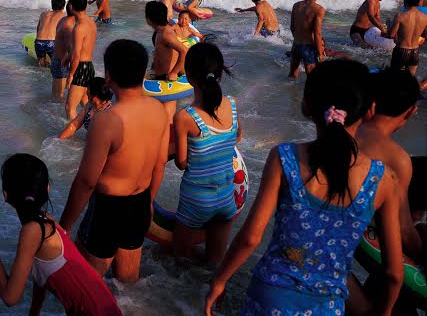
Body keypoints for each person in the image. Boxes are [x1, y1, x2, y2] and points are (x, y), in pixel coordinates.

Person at [204, 60, 403, 316]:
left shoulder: (285, 158)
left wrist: (219, 281)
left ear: (306, 105)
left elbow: (251, 237)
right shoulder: (383, 180)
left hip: (269, 298)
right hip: (326, 306)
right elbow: (394, 274)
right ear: (369, 110)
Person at [60, 39, 170, 282]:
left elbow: (86, 181)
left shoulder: (106, 120)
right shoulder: (159, 110)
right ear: (144, 72)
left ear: (108, 75)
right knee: (128, 285)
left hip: (108, 209)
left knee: (85, 285)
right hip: (140, 202)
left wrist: (64, 225)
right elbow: (160, 163)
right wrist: (149, 201)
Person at [0, 154, 123, 316]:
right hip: (107, 308)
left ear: (5, 195)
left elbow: (10, 298)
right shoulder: (48, 222)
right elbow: (41, 273)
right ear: (47, 189)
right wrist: (34, 311)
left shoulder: (31, 231)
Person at [353, 70, 422, 311]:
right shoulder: (397, 158)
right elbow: (402, 231)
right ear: (412, 111)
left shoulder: (350, 132)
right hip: (373, 244)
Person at [172, 43, 242, 264]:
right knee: (213, 263)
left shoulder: (185, 117)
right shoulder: (232, 104)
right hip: (226, 197)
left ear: (189, 77)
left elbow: (182, 163)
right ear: (220, 72)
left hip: (197, 199)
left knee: (179, 260)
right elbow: (236, 137)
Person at [65, 0, 97, 121]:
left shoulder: (78, 28)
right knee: (86, 104)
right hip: (89, 67)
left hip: (81, 68)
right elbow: (84, 46)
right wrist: (69, 56)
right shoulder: (91, 22)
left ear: (71, 6)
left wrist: (71, 74)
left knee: (69, 107)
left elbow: (77, 54)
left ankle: (73, 139)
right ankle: (94, 130)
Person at [288, 0, 326, 78]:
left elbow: (292, 27)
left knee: (292, 76)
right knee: (312, 80)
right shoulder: (319, 9)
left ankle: (292, 93)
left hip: (296, 45)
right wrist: (320, 53)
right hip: (309, 48)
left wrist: (297, 39)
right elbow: (317, 33)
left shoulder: (296, 6)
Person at [389, 0, 427, 76]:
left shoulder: (400, 16)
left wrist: (389, 25)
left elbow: (391, 35)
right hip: (415, 51)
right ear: (418, 2)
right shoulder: (425, 17)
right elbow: (425, 35)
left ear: (406, 1)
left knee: (394, 76)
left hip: (401, 50)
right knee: (411, 80)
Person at [51, 3, 75, 99]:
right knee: (59, 96)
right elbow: (71, 51)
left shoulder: (62, 20)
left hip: (55, 59)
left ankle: (48, 111)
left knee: (55, 94)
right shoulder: (68, 27)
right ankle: (54, 113)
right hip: (61, 63)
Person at [34, 0, 66, 67]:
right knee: (57, 65)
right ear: (63, 6)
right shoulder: (63, 15)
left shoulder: (43, 14)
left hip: (39, 41)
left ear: (52, 5)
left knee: (42, 65)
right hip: (52, 42)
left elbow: (38, 28)